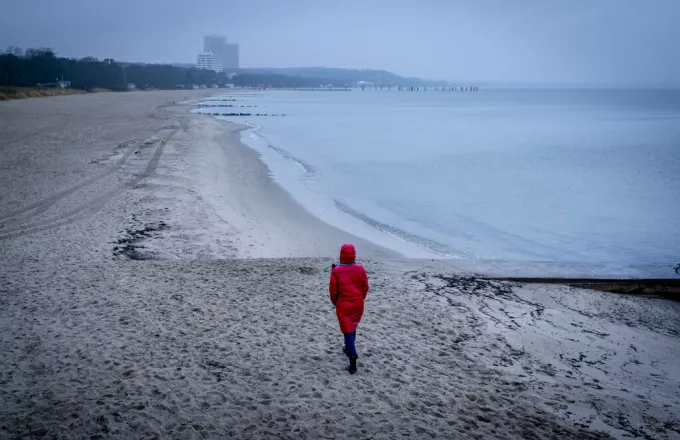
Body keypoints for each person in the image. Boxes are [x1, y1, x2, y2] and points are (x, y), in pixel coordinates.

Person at [329, 244, 369, 374]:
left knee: (347, 330)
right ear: (354, 254)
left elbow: (333, 291)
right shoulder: (360, 269)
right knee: (352, 326)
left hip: (344, 304)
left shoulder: (336, 271)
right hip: (358, 303)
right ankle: (348, 348)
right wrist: (360, 298)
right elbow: (365, 287)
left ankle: (352, 358)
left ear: (341, 254)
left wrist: (336, 303)